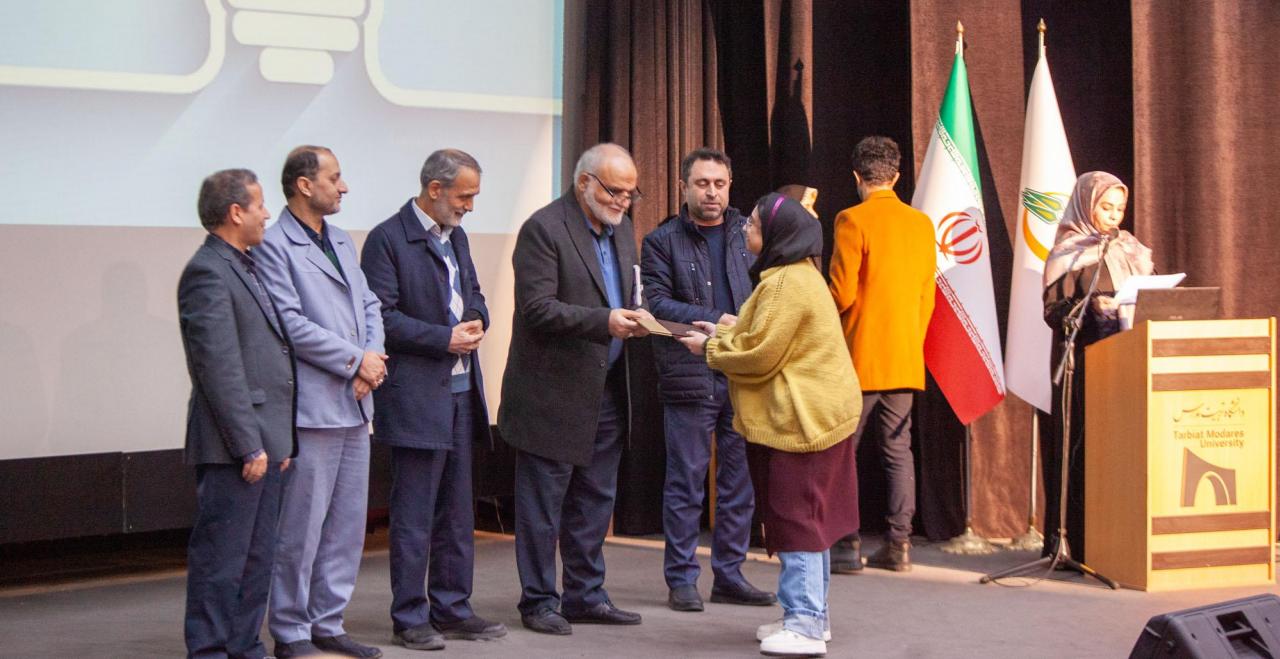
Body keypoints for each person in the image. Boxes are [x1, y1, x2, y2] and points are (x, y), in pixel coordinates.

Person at [679, 193, 862, 657]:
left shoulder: (785, 283)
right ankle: (811, 615)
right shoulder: (797, 275)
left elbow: (761, 354)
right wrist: (722, 333)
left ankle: (804, 624)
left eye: (755, 225)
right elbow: (762, 333)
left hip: (802, 424)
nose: (746, 230)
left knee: (798, 523)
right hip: (816, 419)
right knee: (810, 521)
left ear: (777, 235)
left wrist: (711, 350)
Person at [498, 143, 654, 635]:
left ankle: (586, 595)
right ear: (584, 182)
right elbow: (537, 309)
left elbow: (625, 292)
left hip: (607, 389)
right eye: (615, 191)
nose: (623, 202)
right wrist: (604, 321)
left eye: (630, 193)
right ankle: (539, 601)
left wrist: (640, 315)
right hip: (552, 394)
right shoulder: (544, 229)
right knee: (543, 508)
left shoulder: (621, 228)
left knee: (594, 502)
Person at [360, 149, 508, 651]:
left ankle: (453, 609)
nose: (470, 206)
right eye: (465, 196)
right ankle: (410, 617)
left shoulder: (456, 236)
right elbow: (381, 318)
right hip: (416, 398)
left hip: (462, 395)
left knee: (457, 513)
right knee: (414, 515)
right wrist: (444, 338)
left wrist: (478, 318)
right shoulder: (387, 239)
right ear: (435, 189)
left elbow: (474, 294)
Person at [255, 146, 386, 659]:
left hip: (355, 405)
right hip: (313, 408)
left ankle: (328, 621)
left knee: (347, 527)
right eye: (335, 178)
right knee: (301, 529)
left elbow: (370, 303)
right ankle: (291, 631)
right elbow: (289, 323)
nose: (344, 186)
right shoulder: (274, 245)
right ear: (304, 185)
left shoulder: (342, 239)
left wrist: (372, 357)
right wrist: (356, 361)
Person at [641, 147, 775, 612]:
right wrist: (716, 318)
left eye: (719, 184)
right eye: (702, 184)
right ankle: (681, 579)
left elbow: (769, 292)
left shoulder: (747, 234)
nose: (711, 192)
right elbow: (656, 304)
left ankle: (730, 576)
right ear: (684, 187)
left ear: (730, 185)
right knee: (686, 481)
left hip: (741, 372)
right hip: (689, 374)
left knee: (739, 482)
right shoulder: (661, 240)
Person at [179, 168, 296, 659]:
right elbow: (219, 369)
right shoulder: (208, 272)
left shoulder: (244, 265)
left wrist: (278, 441)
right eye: (260, 205)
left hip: (265, 442)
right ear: (235, 212)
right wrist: (249, 445)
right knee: (221, 560)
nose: (267, 214)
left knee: (256, 558)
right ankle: (209, 651)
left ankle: (245, 647)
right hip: (234, 448)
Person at [826, 136, 936, 573]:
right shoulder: (921, 225)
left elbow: (841, 293)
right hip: (905, 355)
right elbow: (927, 297)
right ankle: (899, 545)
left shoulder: (851, 219)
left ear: (857, 176)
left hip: (859, 356)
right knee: (898, 450)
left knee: (843, 451)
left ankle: (846, 545)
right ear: (896, 176)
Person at [1040, 171, 1153, 563]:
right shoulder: (1069, 253)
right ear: (1086, 206)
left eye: (1120, 209)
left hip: (1128, 365)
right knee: (1082, 450)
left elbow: (1154, 300)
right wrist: (1090, 308)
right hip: (1084, 364)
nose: (1114, 216)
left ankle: (1120, 542)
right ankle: (1075, 542)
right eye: (1106, 208)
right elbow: (1053, 312)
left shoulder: (1133, 250)